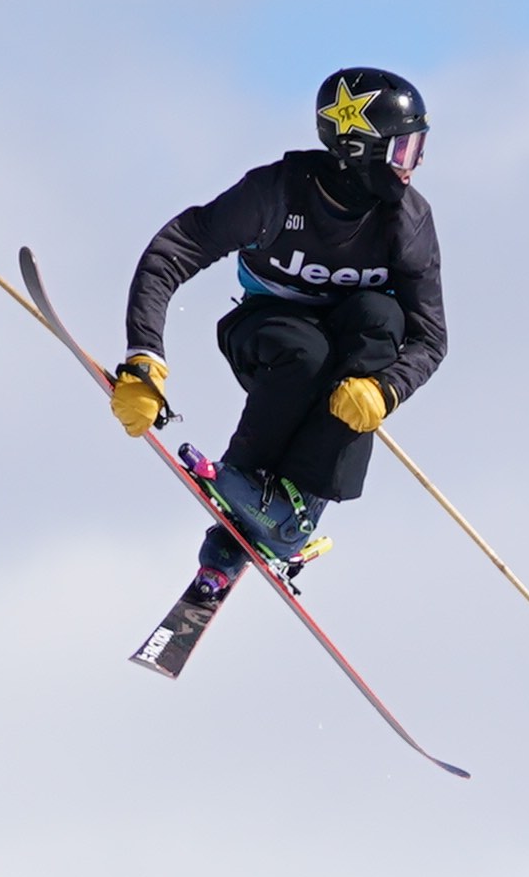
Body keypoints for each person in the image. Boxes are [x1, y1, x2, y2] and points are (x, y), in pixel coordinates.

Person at [108, 66, 445, 672]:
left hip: (352, 354)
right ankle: (253, 493)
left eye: (416, 149)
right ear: (355, 152)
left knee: (378, 318)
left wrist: (387, 391)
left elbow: (429, 337)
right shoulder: (280, 191)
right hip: (265, 329)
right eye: (401, 149)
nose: (410, 165)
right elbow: (173, 251)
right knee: (305, 352)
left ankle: (292, 509)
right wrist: (144, 357)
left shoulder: (408, 222)